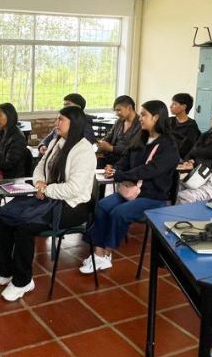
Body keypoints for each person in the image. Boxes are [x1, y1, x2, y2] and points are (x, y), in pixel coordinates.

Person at [0, 106, 96, 301]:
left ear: (74, 124)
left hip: (72, 206)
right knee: (5, 214)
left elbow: (74, 189)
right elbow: (40, 166)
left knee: (24, 226)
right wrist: (39, 183)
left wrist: (45, 189)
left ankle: (23, 281)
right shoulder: (57, 142)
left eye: (61, 120)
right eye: (57, 119)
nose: (56, 123)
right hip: (47, 196)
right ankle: (2, 271)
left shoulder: (84, 151)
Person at [81, 100, 179, 274]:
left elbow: (150, 170)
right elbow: (127, 158)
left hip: (153, 197)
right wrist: (115, 168)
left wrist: (122, 175)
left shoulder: (168, 144)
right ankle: (98, 252)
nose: (140, 118)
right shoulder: (142, 136)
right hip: (131, 191)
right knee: (102, 206)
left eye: (144, 115)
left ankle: (107, 254)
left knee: (119, 213)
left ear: (156, 117)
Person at [97, 95, 140, 167]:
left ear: (129, 108)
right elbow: (109, 137)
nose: (116, 114)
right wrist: (100, 143)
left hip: (127, 161)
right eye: (115, 111)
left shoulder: (140, 124)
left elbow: (133, 149)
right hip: (112, 157)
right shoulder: (119, 122)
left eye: (119, 110)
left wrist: (111, 148)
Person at [0, 102, 30, 179]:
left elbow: (8, 165)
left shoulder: (17, 137)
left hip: (12, 178)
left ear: (9, 116)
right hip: (0, 172)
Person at [168, 93, 201, 159]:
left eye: (174, 104)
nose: (170, 106)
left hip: (179, 159)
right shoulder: (169, 121)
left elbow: (186, 149)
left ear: (184, 107)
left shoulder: (191, 126)